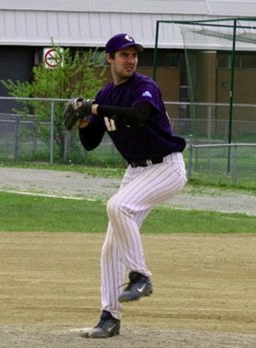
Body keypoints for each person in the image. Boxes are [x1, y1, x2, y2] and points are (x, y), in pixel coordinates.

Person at [72, 33, 187, 339]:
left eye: (134, 54)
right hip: (136, 172)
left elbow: (138, 117)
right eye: (123, 54)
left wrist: (94, 109)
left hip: (166, 167)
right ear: (109, 58)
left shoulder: (144, 87)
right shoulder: (106, 94)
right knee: (110, 248)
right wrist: (84, 121)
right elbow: (91, 142)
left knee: (117, 206)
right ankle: (109, 317)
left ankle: (140, 276)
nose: (130, 60)